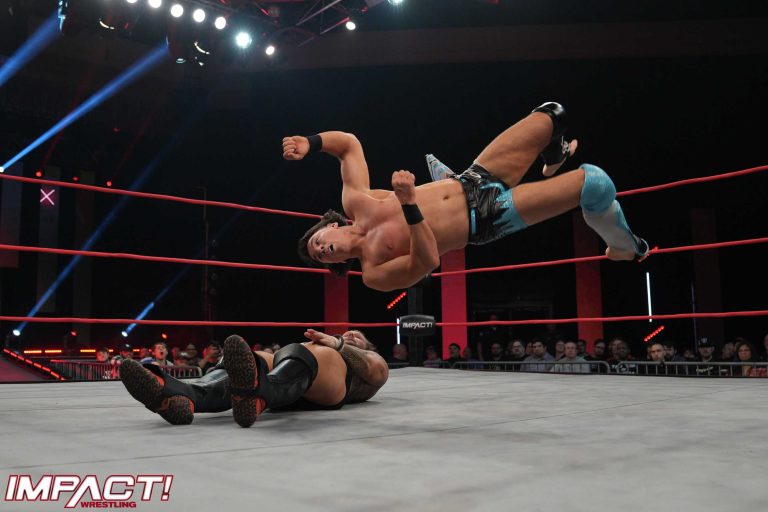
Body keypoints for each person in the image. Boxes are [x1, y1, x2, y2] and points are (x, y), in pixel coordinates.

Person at [288, 102, 648, 292]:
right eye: (320, 257)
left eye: (318, 242)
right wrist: (409, 203)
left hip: (473, 178)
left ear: (330, 226)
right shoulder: (373, 271)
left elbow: (348, 145)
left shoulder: (358, 201)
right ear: (335, 263)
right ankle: (626, 247)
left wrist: (310, 142)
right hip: (489, 217)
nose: (322, 250)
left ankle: (554, 158)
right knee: (596, 183)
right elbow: (426, 262)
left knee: (553, 114)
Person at [119, 330, 388, 426]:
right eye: (347, 333)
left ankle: (259, 393)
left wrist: (339, 345)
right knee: (259, 357)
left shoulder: (370, 359)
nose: (350, 335)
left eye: (357, 336)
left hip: (327, 389)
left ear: (368, 345)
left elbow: (376, 372)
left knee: (321, 353)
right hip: (290, 379)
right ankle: (184, 395)